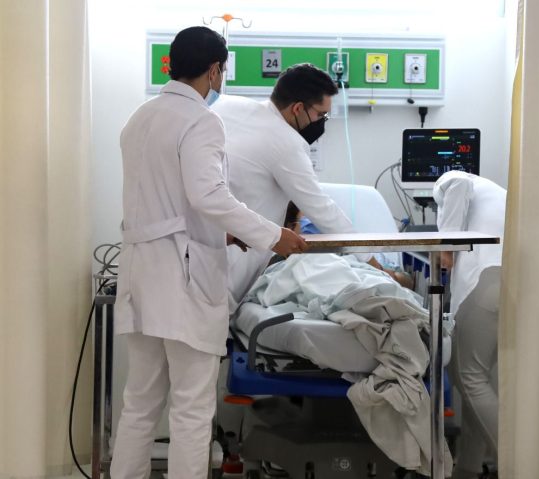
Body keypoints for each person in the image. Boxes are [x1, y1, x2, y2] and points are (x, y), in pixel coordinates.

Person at [111, 26, 306, 479]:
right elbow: (208, 195)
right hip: (182, 280)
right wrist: (271, 235)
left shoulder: (140, 116)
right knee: (192, 407)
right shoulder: (201, 120)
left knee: (139, 403)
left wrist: (223, 235)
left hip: (141, 272)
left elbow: (165, 204)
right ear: (215, 69)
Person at [213, 63, 391, 310]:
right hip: (228, 266)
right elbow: (324, 211)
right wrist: (375, 266)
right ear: (297, 108)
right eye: (321, 115)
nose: (322, 122)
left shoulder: (228, 106)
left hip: (196, 250)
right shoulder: (286, 143)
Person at [433, 171, 506, 479]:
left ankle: (520, 464)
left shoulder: (455, 177)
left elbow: (456, 185)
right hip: (511, 280)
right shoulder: (497, 194)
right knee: (478, 379)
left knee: (469, 378)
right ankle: (468, 468)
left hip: (486, 278)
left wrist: (445, 246)